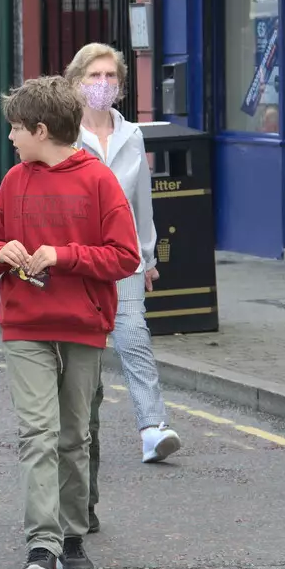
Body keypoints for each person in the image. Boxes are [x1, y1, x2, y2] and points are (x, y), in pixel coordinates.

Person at [0, 76, 139, 569]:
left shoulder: (98, 181)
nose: (11, 138)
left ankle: (74, 539)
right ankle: (43, 545)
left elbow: (125, 256)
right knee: (37, 433)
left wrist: (63, 256)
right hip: (25, 325)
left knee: (74, 435)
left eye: (16, 129)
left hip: (82, 325)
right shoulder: (13, 180)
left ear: (42, 129)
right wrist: (0, 253)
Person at [69, 44, 180, 536]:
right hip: (77, 258)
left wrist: (148, 257)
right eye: (94, 74)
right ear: (76, 80)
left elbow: (142, 202)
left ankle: (152, 429)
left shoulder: (132, 134)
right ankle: (77, 440)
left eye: (111, 75)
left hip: (123, 256)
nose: (104, 82)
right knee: (84, 358)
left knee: (133, 335)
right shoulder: (64, 132)